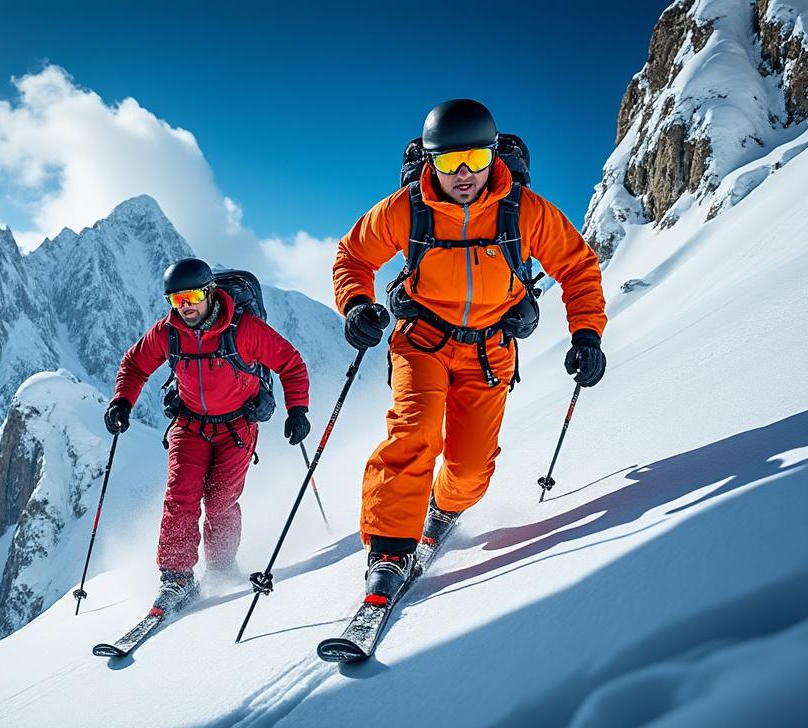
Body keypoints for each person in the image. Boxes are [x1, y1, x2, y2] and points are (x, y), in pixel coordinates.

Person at [332, 99, 609, 600]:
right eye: (449, 161)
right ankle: (390, 551)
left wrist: (586, 334)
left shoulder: (523, 211)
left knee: (471, 468)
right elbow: (353, 255)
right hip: (421, 343)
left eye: (476, 160)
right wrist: (355, 305)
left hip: (489, 351)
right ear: (430, 161)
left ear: (493, 157)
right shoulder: (406, 209)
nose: (464, 174)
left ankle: (443, 506)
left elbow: (578, 268)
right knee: (414, 434)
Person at [106, 258, 311, 611]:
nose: (184, 306)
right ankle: (177, 578)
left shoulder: (244, 329)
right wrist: (122, 401)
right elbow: (135, 364)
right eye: (176, 299)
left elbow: (290, 364)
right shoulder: (168, 333)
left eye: (192, 296)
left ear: (210, 293)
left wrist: (298, 411)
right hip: (190, 426)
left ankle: (220, 568)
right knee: (180, 495)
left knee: (220, 501)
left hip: (237, 428)